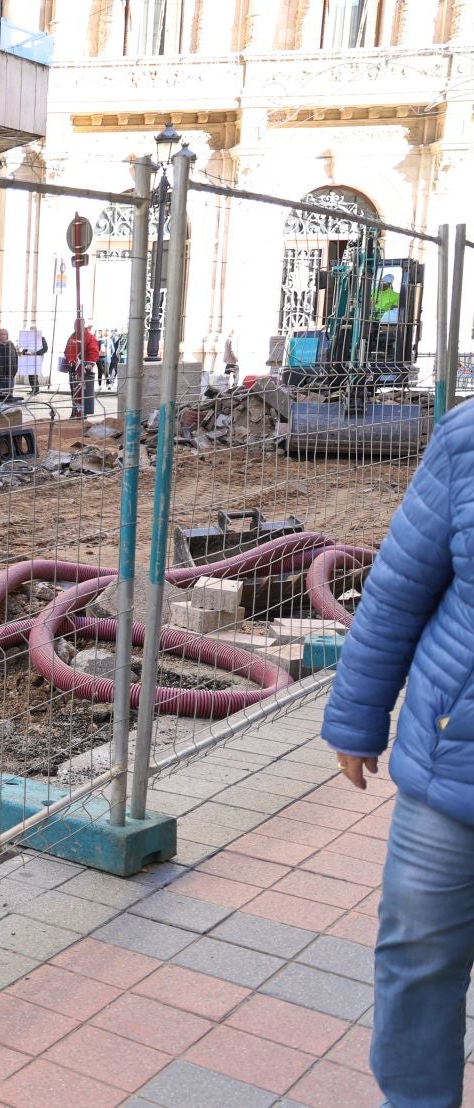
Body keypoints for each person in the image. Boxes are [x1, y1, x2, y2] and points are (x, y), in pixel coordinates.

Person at [321, 403, 474, 1107]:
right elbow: (396, 592)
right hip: (454, 765)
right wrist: (357, 717)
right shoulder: (468, 440)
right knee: (416, 953)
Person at [64, 325, 100, 416]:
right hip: (73, 367)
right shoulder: (72, 336)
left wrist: (90, 363)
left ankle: (81, 412)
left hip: (83, 368)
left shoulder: (89, 337)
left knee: (82, 392)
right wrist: (69, 360)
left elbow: (94, 351)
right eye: (75, 326)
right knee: (74, 391)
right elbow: (67, 350)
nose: (76, 328)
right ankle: (75, 411)